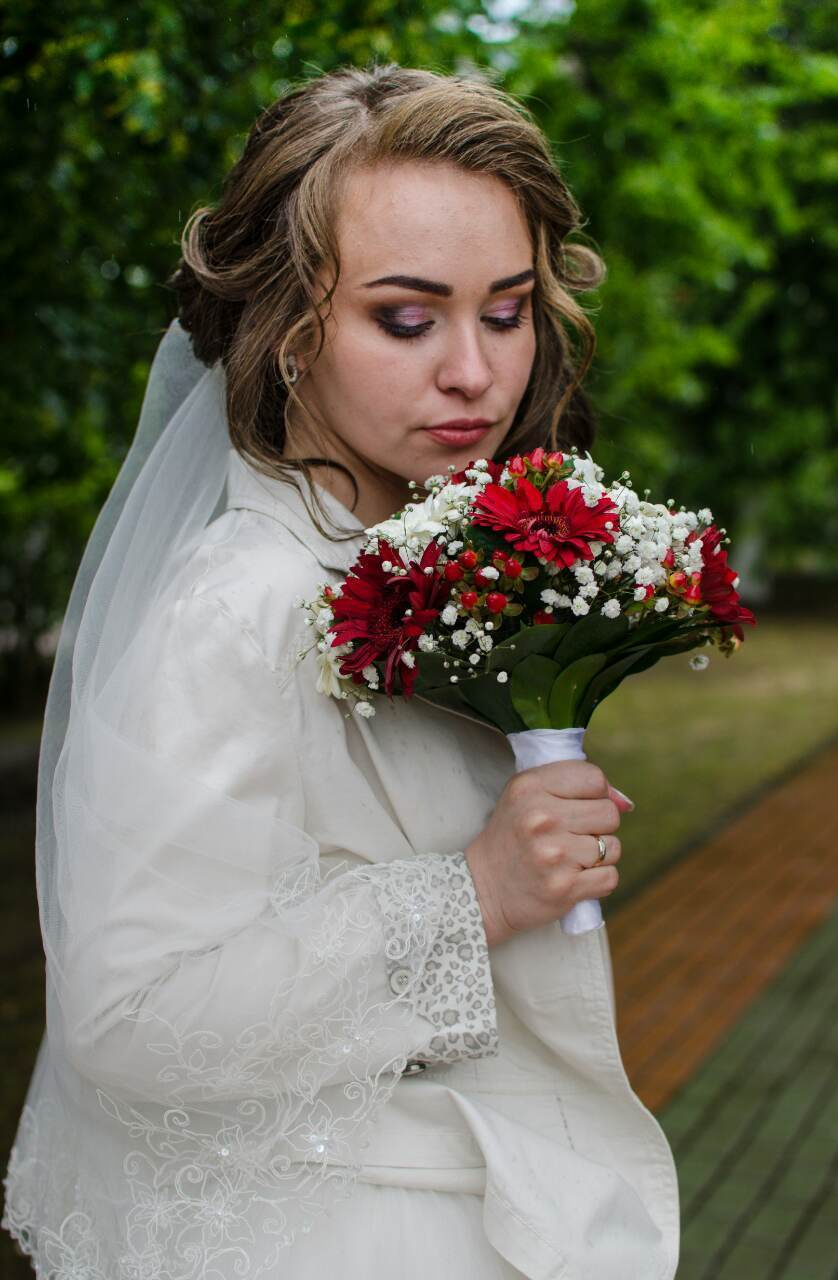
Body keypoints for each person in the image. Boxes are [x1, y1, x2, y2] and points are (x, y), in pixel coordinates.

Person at [1, 62, 679, 1279]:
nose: (473, 371)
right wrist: (472, 892)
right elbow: (126, 1018)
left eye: (508, 309)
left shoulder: (410, 550)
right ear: (287, 326)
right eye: (406, 318)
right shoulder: (237, 606)